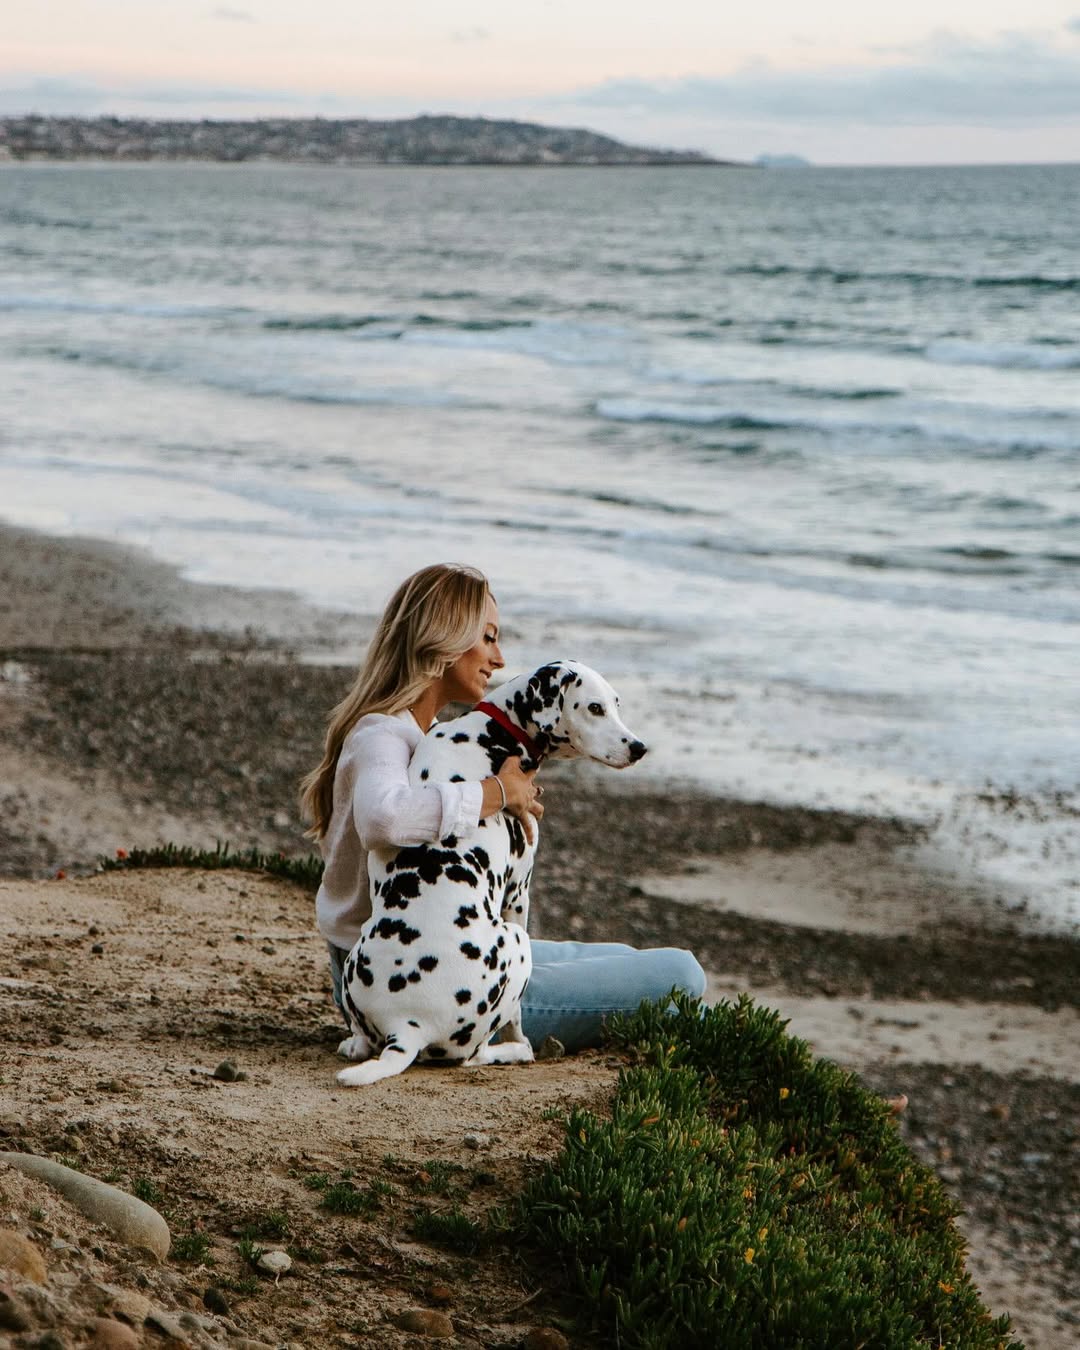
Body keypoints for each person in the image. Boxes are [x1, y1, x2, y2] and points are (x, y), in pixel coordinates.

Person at [300, 562, 706, 1054]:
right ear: (443, 640)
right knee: (681, 976)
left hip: (441, 953)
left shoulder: (428, 743)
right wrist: (497, 793)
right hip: (411, 983)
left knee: (625, 958)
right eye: (488, 637)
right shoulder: (383, 735)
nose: (499, 657)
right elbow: (385, 820)